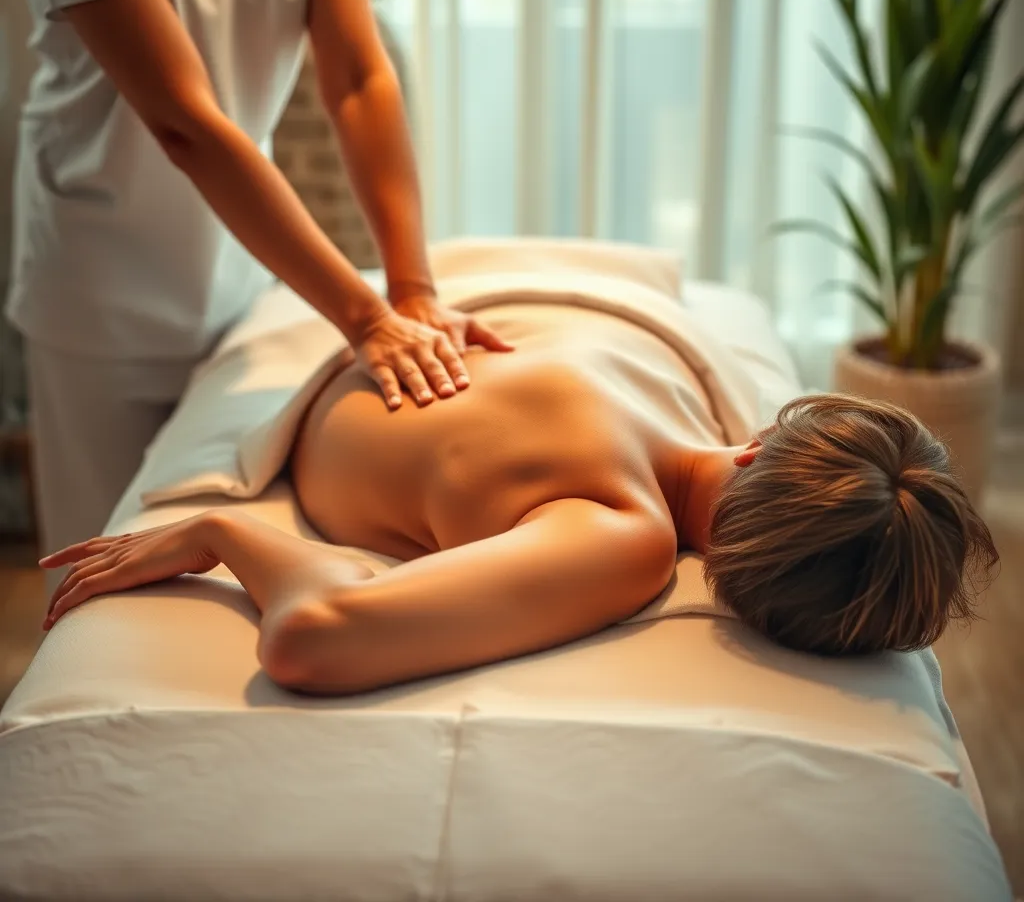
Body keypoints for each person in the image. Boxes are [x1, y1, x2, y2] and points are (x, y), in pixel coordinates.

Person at [40, 299, 998, 693]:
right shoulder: (628, 537)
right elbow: (314, 634)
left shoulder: (623, 442)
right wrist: (216, 531)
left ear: (756, 448)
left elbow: (315, 631)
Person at [5, 0, 509, 558]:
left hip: (242, 261)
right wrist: (367, 319)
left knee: (222, 544)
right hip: (102, 282)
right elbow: (184, 120)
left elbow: (357, 77)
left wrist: (412, 290)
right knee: (100, 565)